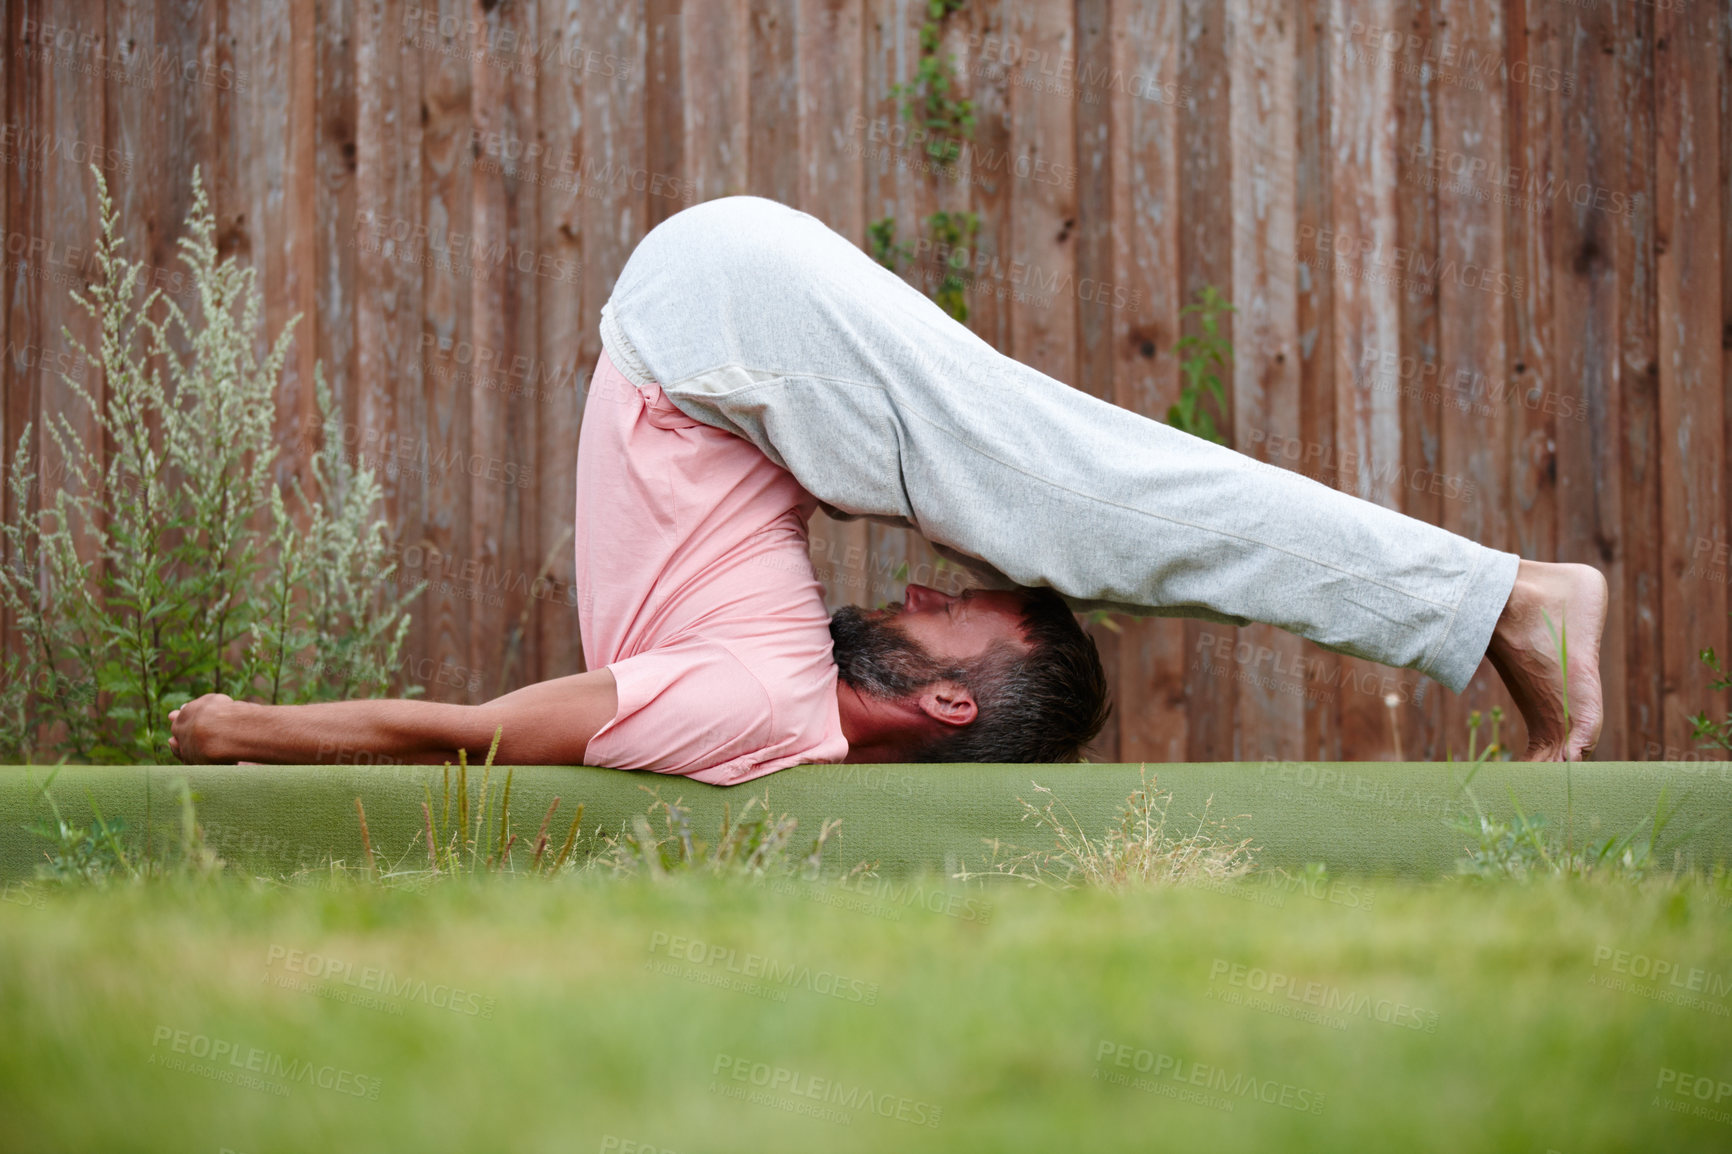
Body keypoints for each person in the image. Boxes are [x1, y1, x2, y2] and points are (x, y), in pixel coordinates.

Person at [169, 197, 1606, 775]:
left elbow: (477, 731)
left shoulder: (759, 701)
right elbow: (487, 732)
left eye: (957, 612)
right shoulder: (775, 690)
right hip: (718, 320)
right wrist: (239, 731)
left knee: (1097, 513)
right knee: (1093, 515)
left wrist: (256, 727)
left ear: (947, 702)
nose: (925, 579)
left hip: (714, 326)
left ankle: (1499, 601)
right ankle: (1505, 599)